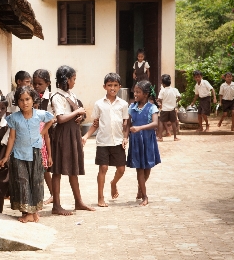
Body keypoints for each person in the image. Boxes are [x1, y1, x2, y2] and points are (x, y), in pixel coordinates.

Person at [0, 86, 54, 223]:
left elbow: (51, 120)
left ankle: (33, 213)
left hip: (35, 154)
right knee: (22, 182)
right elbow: (11, 138)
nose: (25, 103)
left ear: (33, 99)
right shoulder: (14, 118)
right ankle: (27, 212)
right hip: (18, 155)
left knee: (36, 182)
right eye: (21, 100)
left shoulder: (39, 114)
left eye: (27, 99)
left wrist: (42, 133)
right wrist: (6, 156)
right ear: (17, 102)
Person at [50, 65, 95, 215]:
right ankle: (56, 205)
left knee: (73, 169)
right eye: (73, 79)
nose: (75, 82)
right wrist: (77, 111)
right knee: (57, 171)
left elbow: (74, 114)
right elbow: (60, 118)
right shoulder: (57, 97)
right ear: (66, 79)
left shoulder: (71, 94)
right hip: (63, 134)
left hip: (73, 133)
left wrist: (80, 116)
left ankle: (78, 201)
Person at [81, 73, 129, 207]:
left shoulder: (123, 104)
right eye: (109, 85)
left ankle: (113, 183)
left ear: (119, 87)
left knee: (121, 169)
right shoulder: (99, 104)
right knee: (103, 167)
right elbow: (95, 123)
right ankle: (100, 197)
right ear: (104, 87)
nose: (112, 88)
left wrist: (125, 137)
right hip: (103, 141)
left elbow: (125, 124)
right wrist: (86, 136)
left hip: (118, 141)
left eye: (115, 85)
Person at [126, 80, 161, 206]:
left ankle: (140, 188)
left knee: (147, 167)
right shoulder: (132, 107)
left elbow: (155, 123)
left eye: (138, 92)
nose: (135, 94)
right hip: (136, 142)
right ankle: (145, 196)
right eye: (134, 91)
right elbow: (128, 124)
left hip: (148, 141)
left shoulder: (152, 107)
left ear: (145, 94)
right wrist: (125, 137)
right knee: (139, 169)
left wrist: (140, 128)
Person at [32, 69, 55, 205]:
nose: (36, 86)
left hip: (48, 134)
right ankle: (48, 194)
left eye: (39, 84)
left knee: (48, 167)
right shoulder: (32, 96)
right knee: (43, 169)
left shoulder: (52, 97)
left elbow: (56, 116)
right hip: (37, 136)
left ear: (47, 83)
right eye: (34, 83)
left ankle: (54, 194)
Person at [157, 74, 181, 141]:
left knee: (161, 122)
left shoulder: (163, 90)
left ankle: (160, 137)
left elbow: (160, 99)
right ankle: (175, 137)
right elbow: (179, 97)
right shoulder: (174, 90)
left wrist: (161, 103)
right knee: (173, 122)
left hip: (164, 109)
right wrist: (175, 102)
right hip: (172, 109)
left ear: (163, 84)